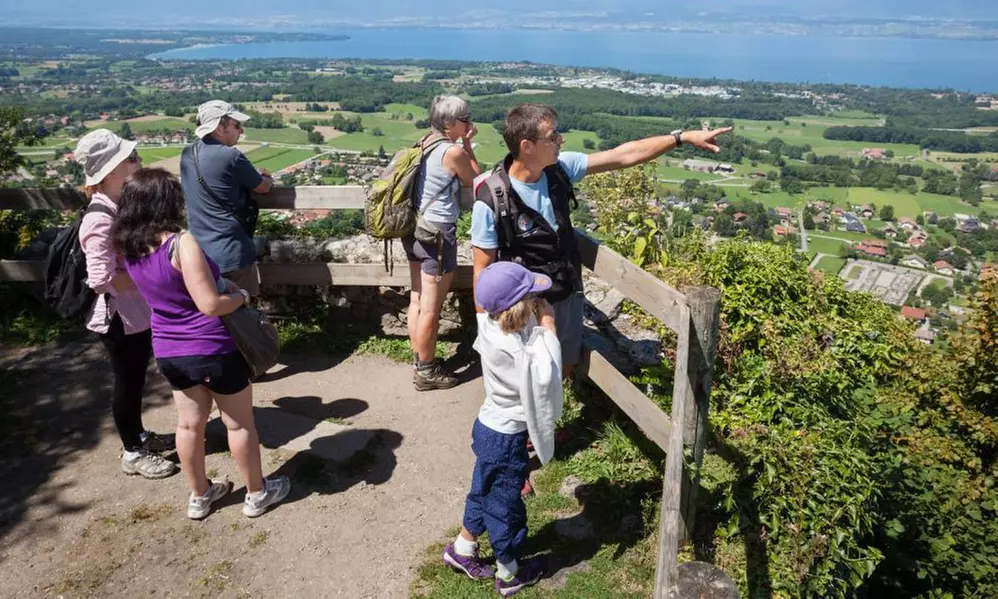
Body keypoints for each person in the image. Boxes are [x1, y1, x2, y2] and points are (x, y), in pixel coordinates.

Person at [471, 103, 733, 380]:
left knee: (563, 365)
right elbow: (481, 271)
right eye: (552, 136)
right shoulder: (492, 199)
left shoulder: (558, 170)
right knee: (523, 377)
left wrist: (681, 138)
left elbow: (623, 155)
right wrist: (487, 332)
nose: (561, 140)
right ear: (527, 146)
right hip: (522, 304)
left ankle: (552, 420)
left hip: (565, 293)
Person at [112, 168, 290, 520]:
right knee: (238, 424)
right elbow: (209, 304)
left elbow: (127, 286)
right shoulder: (181, 243)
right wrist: (239, 297)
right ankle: (257, 494)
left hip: (168, 350)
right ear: (168, 201)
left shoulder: (129, 247)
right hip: (211, 346)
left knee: (188, 425)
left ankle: (200, 496)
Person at [441, 262, 563, 596]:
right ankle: (509, 572)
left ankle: (462, 549)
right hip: (506, 439)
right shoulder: (518, 351)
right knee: (505, 506)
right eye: (533, 297)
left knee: (484, 489)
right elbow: (546, 370)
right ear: (523, 308)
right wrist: (548, 322)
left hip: (487, 428)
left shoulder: (489, 326)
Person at [74, 129, 177, 480]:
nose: (139, 161)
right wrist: (149, 274)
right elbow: (101, 279)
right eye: (131, 159)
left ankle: (139, 435)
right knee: (128, 382)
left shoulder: (119, 208)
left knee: (136, 380)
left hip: (134, 313)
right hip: (119, 318)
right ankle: (133, 452)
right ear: (109, 172)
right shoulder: (99, 219)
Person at [403, 95, 481, 391]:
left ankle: (419, 358)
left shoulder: (424, 142)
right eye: (465, 119)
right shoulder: (452, 151)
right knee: (431, 309)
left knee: (416, 299)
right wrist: (468, 146)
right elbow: (475, 181)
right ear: (450, 124)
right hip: (436, 233)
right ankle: (426, 371)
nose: (469, 123)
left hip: (414, 228)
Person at [180, 100, 273, 297]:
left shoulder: (188, 153)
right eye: (236, 125)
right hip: (232, 253)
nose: (241, 130)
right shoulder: (231, 156)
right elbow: (262, 187)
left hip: (199, 253)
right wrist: (266, 177)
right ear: (219, 128)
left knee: (212, 316)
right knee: (242, 314)